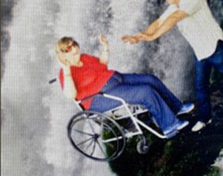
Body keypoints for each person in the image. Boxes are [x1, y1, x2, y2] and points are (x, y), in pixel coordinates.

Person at [122, 0, 223, 132]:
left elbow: (175, 18)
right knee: (200, 87)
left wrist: (152, 37)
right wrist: (139, 36)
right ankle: (205, 118)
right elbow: (159, 22)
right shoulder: (173, 7)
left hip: (215, 46)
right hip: (200, 52)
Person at [56, 35, 194, 138]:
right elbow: (71, 95)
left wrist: (106, 48)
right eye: (68, 48)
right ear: (63, 54)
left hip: (115, 79)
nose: (74, 48)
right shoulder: (65, 72)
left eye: (74, 44)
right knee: (145, 92)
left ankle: (176, 107)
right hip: (98, 98)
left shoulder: (84, 58)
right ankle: (169, 126)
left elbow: (102, 64)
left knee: (150, 79)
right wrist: (66, 70)